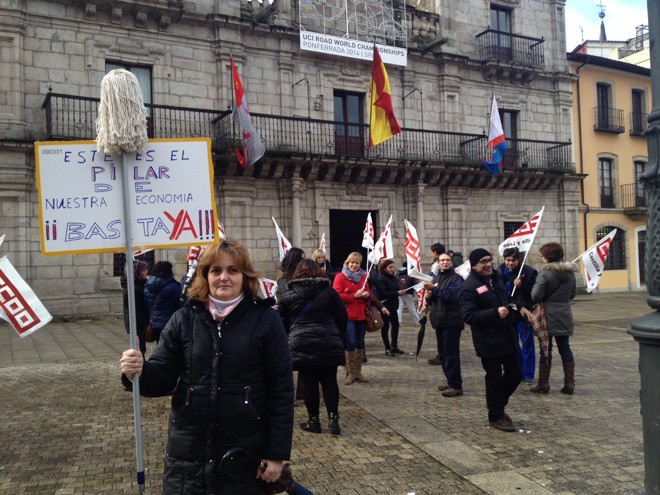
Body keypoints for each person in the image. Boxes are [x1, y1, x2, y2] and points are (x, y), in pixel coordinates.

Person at [120, 240, 294, 494]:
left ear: (245, 276)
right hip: (188, 455)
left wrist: (276, 453)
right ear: (205, 275)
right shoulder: (184, 318)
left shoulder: (266, 320)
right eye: (215, 270)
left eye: (232, 270)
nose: (224, 277)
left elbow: (282, 390)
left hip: (245, 454)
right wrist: (139, 371)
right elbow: (163, 375)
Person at [278, 259, 348, 435]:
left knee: (309, 382)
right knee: (330, 381)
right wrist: (337, 334)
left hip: (302, 343)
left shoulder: (288, 294)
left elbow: (281, 322)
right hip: (328, 341)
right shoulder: (330, 292)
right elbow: (342, 316)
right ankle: (333, 421)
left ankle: (313, 421)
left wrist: (289, 340)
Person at [458, 248, 522, 432]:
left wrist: (520, 307)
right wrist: (495, 313)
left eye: (489, 260)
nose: (487, 264)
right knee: (493, 377)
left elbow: (505, 300)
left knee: (516, 373)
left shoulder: (496, 278)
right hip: (488, 340)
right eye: (483, 262)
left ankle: (497, 404)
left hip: (507, 336)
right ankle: (495, 416)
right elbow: (469, 315)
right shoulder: (468, 287)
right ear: (474, 265)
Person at [527, 242, 578, 395]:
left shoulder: (544, 274)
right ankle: (569, 383)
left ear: (548, 258)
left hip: (547, 315)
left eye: (542, 256)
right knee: (565, 348)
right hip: (565, 312)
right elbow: (573, 293)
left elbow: (535, 295)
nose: (541, 258)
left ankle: (543, 383)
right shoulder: (570, 273)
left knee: (545, 349)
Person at [333, 251, 386, 384]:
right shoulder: (340, 277)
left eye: (357, 263)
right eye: (352, 262)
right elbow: (336, 295)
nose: (354, 265)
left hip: (362, 315)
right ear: (347, 263)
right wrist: (353, 296)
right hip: (348, 315)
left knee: (360, 342)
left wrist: (367, 294)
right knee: (350, 342)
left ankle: (358, 372)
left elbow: (368, 290)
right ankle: (350, 372)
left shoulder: (363, 276)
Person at [424, 252, 464, 397]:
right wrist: (429, 296)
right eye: (442, 260)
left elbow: (452, 296)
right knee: (443, 354)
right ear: (438, 263)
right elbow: (432, 300)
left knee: (451, 354)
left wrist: (433, 289)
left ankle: (456, 385)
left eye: (448, 260)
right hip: (439, 320)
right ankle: (450, 381)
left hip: (452, 320)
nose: (445, 262)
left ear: (452, 263)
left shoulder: (457, 279)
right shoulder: (436, 277)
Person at [497, 247, 538, 383]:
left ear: (518, 259)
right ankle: (516, 371)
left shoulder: (529, 271)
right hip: (508, 312)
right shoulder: (500, 269)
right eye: (507, 260)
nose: (509, 263)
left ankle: (528, 374)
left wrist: (522, 286)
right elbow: (499, 292)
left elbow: (533, 294)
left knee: (527, 344)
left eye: (512, 260)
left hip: (524, 313)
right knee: (512, 345)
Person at [373, 259, 406, 357]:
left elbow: (395, 289)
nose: (392, 269)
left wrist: (400, 291)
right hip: (385, 307)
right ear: (384, 268)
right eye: (390, 267)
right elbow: (382, 294)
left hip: (393, 306)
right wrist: (397, 293)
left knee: (395, 325)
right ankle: (387, 348)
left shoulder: (393, 278)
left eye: (393, 267)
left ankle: (394, 346)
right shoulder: (381, 278)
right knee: (385, 327)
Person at [144, 261, 181, 344]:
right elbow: (180, 305)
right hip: (170, 324)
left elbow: (147, 305)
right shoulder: (173, 286)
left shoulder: (147, 287)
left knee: (160, 347)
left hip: (154, 324)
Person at [122, 259, 150, 356]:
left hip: (142, 320)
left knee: (142, 346)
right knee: (139, 347)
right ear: (137, 272)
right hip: (137, 321)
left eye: (146, 269)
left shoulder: (142, 284)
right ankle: (141, 367)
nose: (146, 272)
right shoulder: (133, 288)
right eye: (144, 270)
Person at [427, 242, 446, 365]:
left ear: (434, 252)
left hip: (438, 299)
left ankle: (442, 356)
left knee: (441, 331)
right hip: (438, 296)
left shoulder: (436, 265)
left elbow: (434, 281)